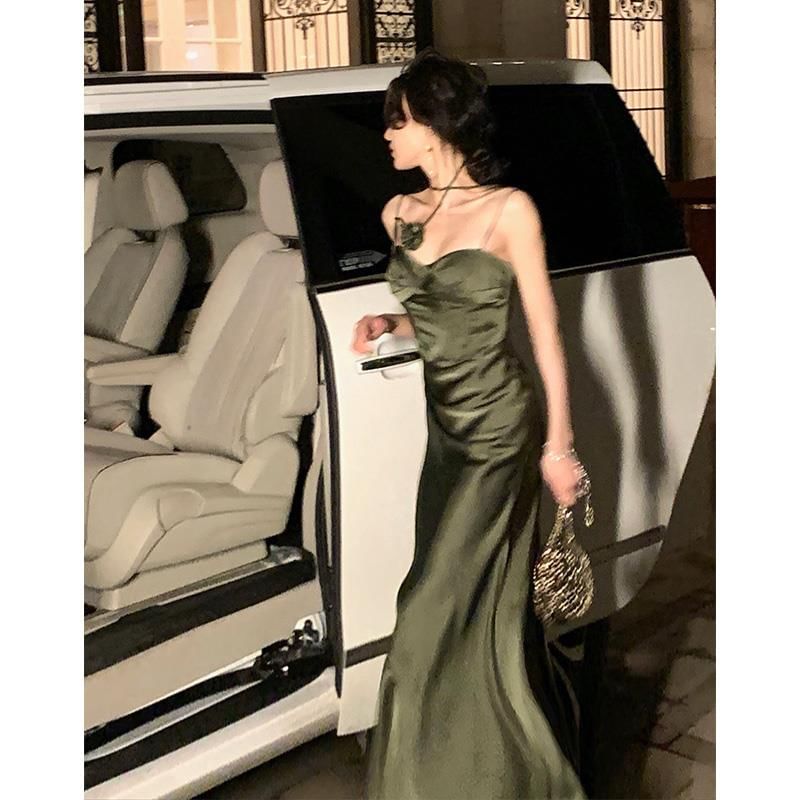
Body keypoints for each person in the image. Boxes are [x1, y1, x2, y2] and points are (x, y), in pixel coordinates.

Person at [351, 47, 588, 800]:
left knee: (423, 618)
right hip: (446, 436)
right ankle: (488, 775)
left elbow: (545, 336)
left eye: (398, 121)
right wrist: (392, 320)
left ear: (435, 123)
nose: (388, 135)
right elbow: (443, 314)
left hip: (499, 433)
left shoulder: (509, 210)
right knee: (459, 612)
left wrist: (559, 448)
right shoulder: (399, 213)